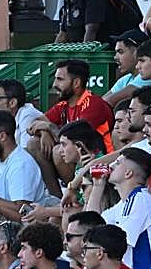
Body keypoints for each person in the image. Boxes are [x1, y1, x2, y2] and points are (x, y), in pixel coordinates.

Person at [86, 147, 151, 269]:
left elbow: (113, 243)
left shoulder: (140, 201)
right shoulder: (126, 203)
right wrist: (98, 186)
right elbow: (91, 226)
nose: (111, 165)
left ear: (128, 173)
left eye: (118, 163)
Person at [27, 60, 113, 195]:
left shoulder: (92, 103)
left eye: (60, 79)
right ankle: (58, 197)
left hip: (100, 160)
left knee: (58, 151)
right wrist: (44, 131)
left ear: (76, 83)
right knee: (34, 143)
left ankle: (76, 195)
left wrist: (49, 126)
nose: (55, 85)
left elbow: (75, 138)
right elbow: (32, 124)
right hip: (77, 159)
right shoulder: (64, 105)